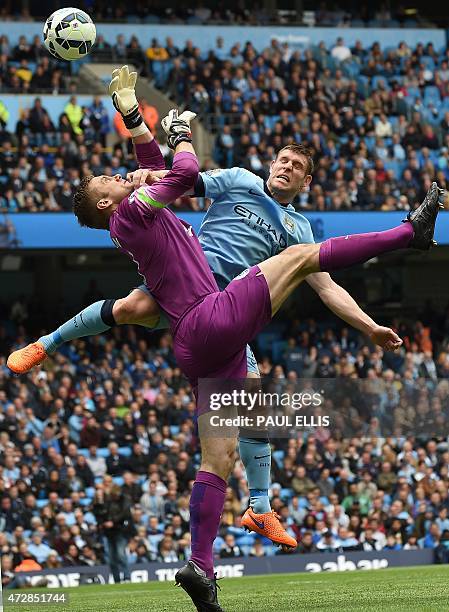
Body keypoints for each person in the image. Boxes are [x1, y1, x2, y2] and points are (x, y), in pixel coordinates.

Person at [8, 66, 445, 555]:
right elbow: (178, 178)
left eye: (296, 167)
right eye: (282, 160)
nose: (286, 168)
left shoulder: (297, 228)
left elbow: (327, 288)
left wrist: (368, 326)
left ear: (306, 180)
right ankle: (44, 344)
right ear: (271, 162)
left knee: (253, 408)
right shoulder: (238, 180)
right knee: (133, 304)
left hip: (223, 304)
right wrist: (171, 138)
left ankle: (258, 508)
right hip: (185, 290)